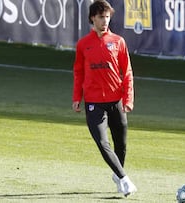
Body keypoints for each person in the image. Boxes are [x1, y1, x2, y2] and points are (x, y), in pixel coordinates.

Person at [71, 0, 137, 197]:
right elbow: (79, 72)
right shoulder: (83, 44)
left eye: (107, 17)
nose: (104, 21)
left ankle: (118, 175)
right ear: (93, 18)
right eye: (101, 17)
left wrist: (128, 98)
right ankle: (125, 179)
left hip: (115, 101)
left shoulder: (118, 42)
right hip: (93, 102)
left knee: (121, 145)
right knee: (102, 142)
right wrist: (77, 97)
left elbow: (127, 72)